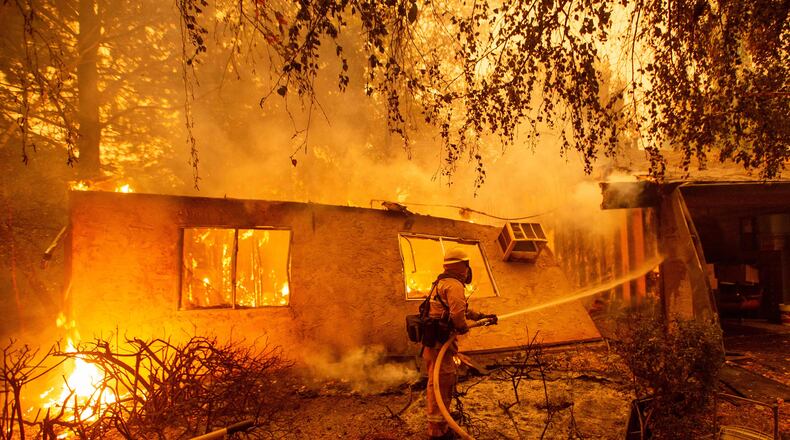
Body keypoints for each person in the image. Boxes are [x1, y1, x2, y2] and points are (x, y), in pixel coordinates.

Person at [423, 248, 497, 439]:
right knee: (442, 381)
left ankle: (439, 420)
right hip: (441, 343)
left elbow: (458, 308)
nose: (467, 270)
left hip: (433, 343)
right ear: (460, 265)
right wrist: (462, 327)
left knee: (436, 380)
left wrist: (480, 317)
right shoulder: (454, 285)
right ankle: (437, 430)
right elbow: (457, 315)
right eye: (466, 265)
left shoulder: (441, 282)